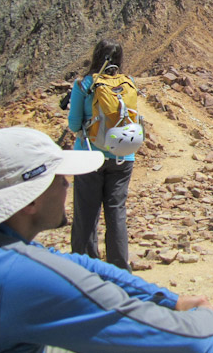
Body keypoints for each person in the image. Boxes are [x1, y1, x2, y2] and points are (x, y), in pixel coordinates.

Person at [0, 126, 213, 352]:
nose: (66, 183)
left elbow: (75, 266)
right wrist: (206, 314)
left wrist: (170, 300)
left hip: (97, 148)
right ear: (30, 199)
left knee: (88, 217)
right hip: (121, 160)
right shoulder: (22, 277)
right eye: (58, 177)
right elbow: (191, 343)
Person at [68, 39, 134, 270]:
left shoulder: (84, 84)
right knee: (116, 212)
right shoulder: (128, 83)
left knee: (86, 212)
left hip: (89, 156)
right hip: (123, 157)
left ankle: (85, 269)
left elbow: (74, 124)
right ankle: (119, 271)